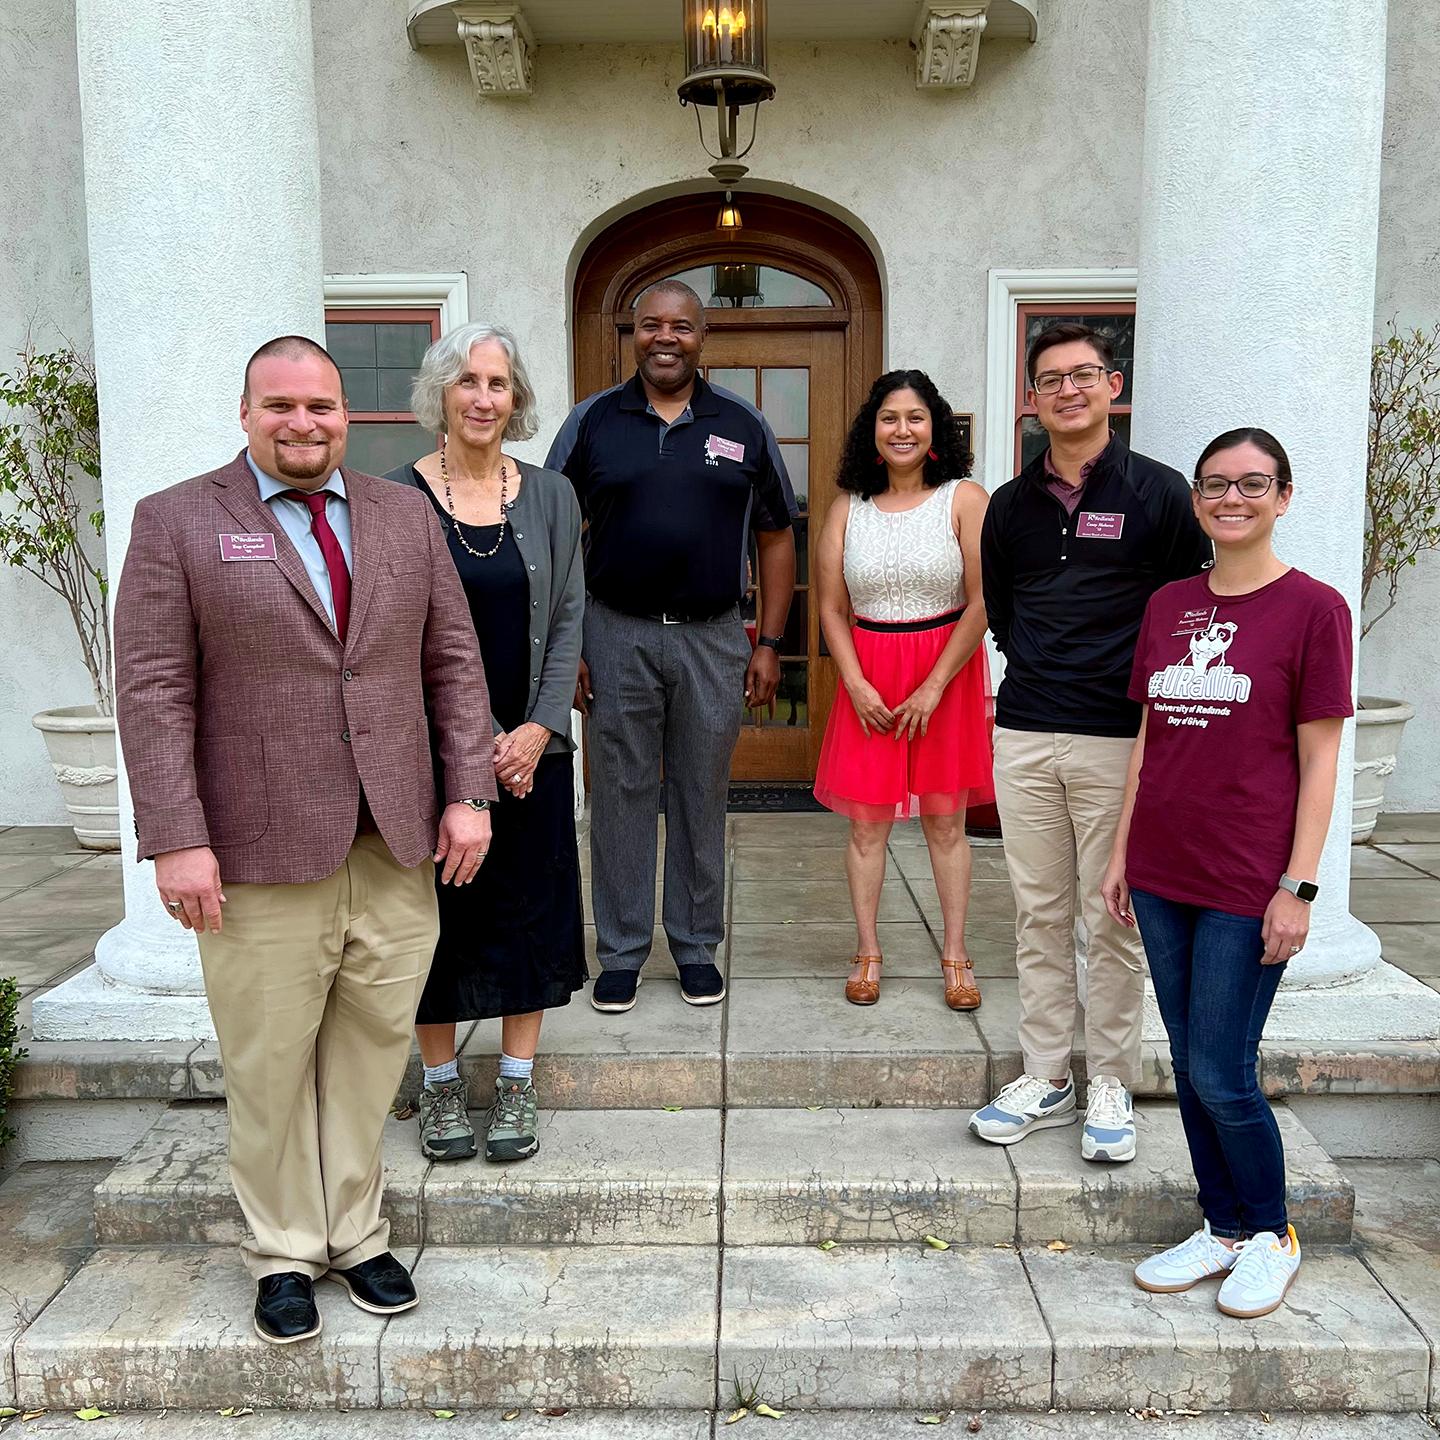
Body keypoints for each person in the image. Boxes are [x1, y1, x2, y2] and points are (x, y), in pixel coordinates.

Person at [113, 336, 496, 1345]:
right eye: (279, 405)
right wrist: (176, 837)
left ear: (346, 415)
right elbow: (153, 691)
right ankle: (283, 1250)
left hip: (395, 839)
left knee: (370, 1054)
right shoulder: (177, 520)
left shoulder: (402, 515)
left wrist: (469, 794)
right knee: (270, 1060)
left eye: (320, 405)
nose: (303, 423)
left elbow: (453, 665)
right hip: (256, 845)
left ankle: (356, 1235)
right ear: (245, 414)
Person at [1101, 428, 1350, 1317]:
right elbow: (1149, 739)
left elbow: (1321, 761)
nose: (1231, 498)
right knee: (1190, 1060)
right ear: (1198, 500)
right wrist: (1124, 851)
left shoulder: (1314, 609)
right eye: (1215, 484)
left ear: (1283, 496)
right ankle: (1225, 1227)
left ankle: (1272, 1233)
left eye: (1252, 483)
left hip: (1249, 881)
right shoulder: (1170, 604)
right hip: (1163, 870)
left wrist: (1299, 886)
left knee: (1221, 1070)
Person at [969, 322, 1211, 1163]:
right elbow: (1003, 612)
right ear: (1031, 399)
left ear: (1113, 386)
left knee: (1112, 918)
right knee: (1038, 913)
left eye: (1083, 375)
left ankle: (1111, 1077)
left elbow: (1187, 612)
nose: (1067, 391)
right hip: (1027, 731)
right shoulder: (1009, 505)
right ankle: (1046, 1074)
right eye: (1050, 379)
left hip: (1119, 739)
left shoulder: (1161, 494)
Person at [546, 279, 797, 1014]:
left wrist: (769, 640)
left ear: (703, 335)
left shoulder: (743, 424)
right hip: (613, 631)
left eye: (681, 326)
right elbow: (555, 535)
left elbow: (775, 535)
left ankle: (694, 946)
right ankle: (622, 951)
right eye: (651, 324)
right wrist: (567, 646)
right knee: (618, 793)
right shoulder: (592, 421)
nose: (665, 338)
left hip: (713, 636)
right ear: (633, 333)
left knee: (700, 791)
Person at [385, 322, 585, 1165]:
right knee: (441, 916)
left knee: (530, 911)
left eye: (497, 383)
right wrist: (483, 741)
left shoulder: (552, 495)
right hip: (438, 753)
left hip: (536, 753)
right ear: (440, 392)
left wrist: (538, 729)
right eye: (467, 380)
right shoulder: (395, 501)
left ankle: (515, 1079)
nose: (482, 397)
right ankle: (437, 1086)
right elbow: (396, 637)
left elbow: (569, 615)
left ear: (516, 398)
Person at [813, 370, 993, 1010]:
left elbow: (983, 600)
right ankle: (867, 952)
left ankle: (956, 955)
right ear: (873, 430)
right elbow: (831, 608)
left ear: (935, 427)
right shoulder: (847, 509)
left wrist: (934, 685)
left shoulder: (964, 499)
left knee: (946, 824)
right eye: (889, 418)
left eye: (915, 417)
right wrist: (855, 683)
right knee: (867, 828)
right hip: (870, 678)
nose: (902, 430)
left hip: (946, 672)